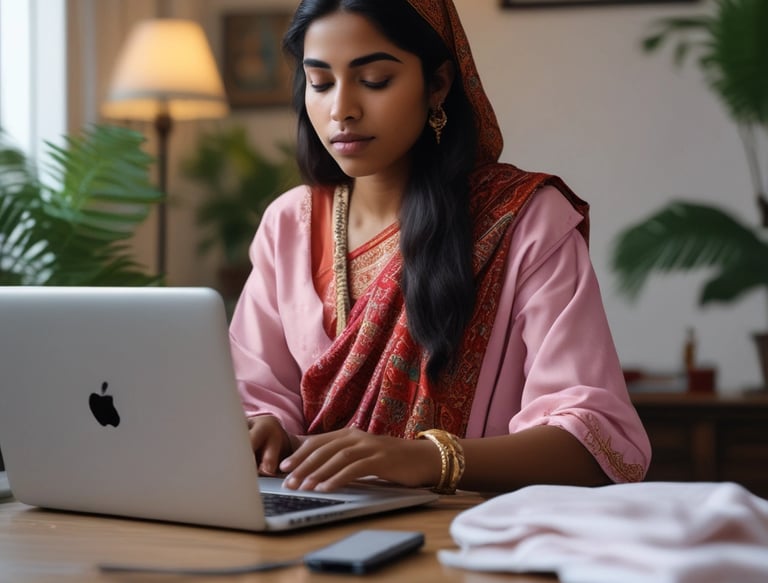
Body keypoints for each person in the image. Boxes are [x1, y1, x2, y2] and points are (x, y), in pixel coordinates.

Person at [229, 0, 651, 495]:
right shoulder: (289, 224)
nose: (341, 108)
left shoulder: (523, 220)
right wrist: (264, 428)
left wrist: (429, 458)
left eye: (375, 80)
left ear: (439, 84)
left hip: (470, 536)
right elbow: (255, 395)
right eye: (320, 83)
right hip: (307, 519)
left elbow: (595, 441)